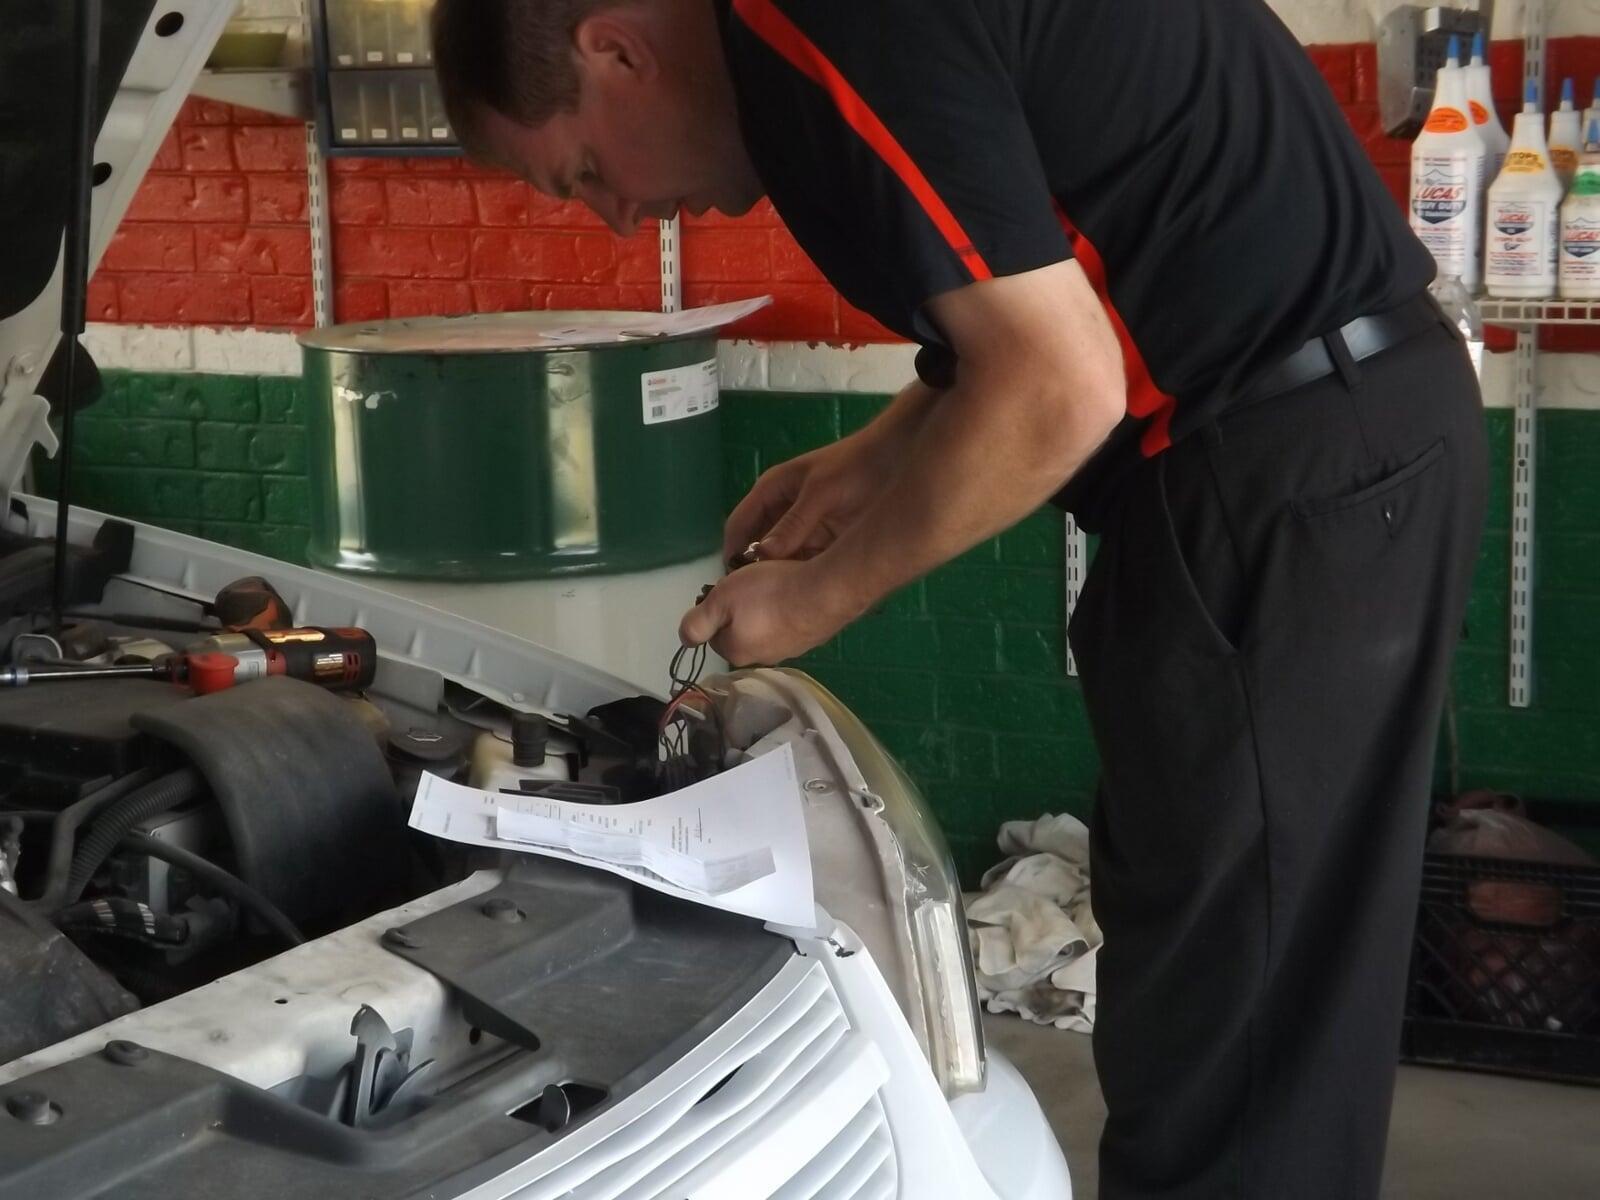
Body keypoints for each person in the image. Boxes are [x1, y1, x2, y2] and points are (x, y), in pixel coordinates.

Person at [430, 0, 1487, 1194]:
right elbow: (1055, 284)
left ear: (615, 47)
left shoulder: (822, 21)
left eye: (580, 173)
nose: (618, 217)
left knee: (1235, 1041)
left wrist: (820, 597)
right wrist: (868, 461)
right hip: (1339, 434)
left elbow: (1056, 385)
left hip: (1279, 467)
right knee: (1259, 1002)